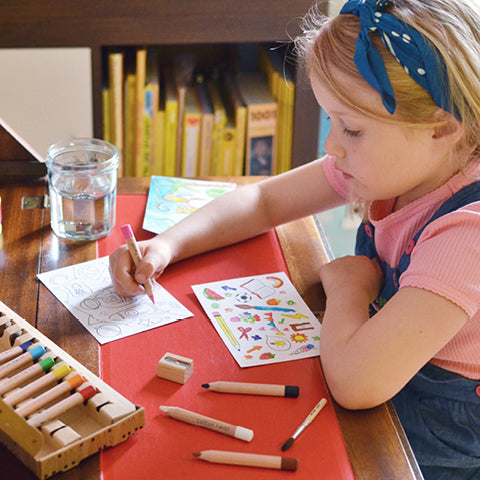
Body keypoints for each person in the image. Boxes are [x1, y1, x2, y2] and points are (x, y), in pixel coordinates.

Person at [109, 0, 480, 477]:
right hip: (375, 366)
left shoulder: (468, 232)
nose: (331, 145)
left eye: (351, 128)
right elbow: (261, 201)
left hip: (432, 433)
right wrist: (167, 246)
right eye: (331, 120)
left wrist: (350, 287)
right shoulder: (394, 166)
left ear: (442, 128)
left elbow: (356, 382)